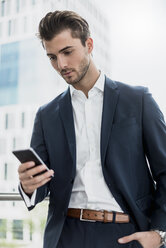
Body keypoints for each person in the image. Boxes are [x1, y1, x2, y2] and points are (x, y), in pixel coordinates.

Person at [18, 10, 166, 248]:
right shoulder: (46, 115)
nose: (61, 64)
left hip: (126, 234)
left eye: (67, 52)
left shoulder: (138, 100)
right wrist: (28, 186)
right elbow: (41, 185)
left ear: (89, 44)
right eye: (52, 57)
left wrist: (159, 233)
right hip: (66, 234)